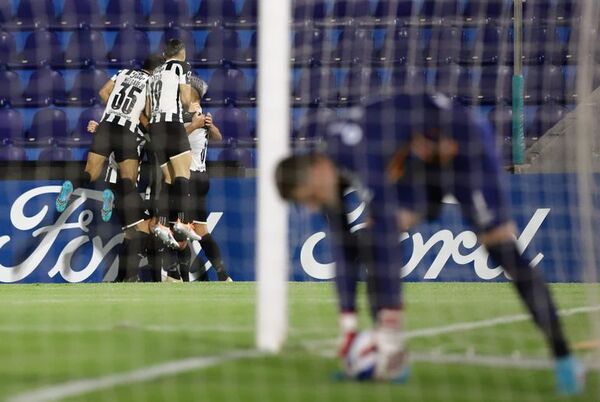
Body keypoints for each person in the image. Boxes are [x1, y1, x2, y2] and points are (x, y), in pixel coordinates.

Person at [275, 92, 585, 394]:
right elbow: (343, 250)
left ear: (315, 171)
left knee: (501, 250)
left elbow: (387, 231)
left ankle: (563, 357)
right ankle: (392, 363)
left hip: (463, 147)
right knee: (369, 239)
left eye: (311, 198)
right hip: (422, 162)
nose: (314, 207)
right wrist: (348, 327)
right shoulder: (331, 171)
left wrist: (390, 323)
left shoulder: (356, 153)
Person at [55, 56, 176, 247]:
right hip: (126, 131)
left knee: (91, 173)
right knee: (128, 179)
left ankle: (70, 184)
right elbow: (148, 115)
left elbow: (103, 93)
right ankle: (140, 222)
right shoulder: (152, 82)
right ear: (156, 71)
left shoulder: (124, 72)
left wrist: (116, 111)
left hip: (105, 126)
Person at [177, 75, 233, 282]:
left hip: (190, 178)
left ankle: (181, 280)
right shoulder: (199, 114)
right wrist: (206, 125)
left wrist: (204, 125)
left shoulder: (192, 114)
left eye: (184, 88)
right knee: (201, 230)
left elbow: (175, 139)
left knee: (181, 232)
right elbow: (218, 137)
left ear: (192, 92)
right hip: (201, 178)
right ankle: (224, 276)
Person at [147, 39, 199, 243]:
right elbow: (186, 99)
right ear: (181, 51)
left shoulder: (155, 72)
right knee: (183, 170)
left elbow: (150, 109)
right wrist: (190, 109)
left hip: (155, 127)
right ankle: (183, 221)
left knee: (168, 178)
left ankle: (161, 223)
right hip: (171, 123)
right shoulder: (180, 66)